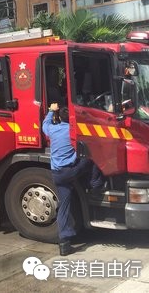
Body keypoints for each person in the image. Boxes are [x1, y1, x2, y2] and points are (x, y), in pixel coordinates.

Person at [42, 103, 104, 256]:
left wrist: (51, 111)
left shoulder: (52, 129)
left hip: (57, 174)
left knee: (64, 207)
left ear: (59, 118)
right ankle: (95, 186)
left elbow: (44, 125)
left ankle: (64, 243)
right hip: (71, 171)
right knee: (92, 158)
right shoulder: (74, 131)